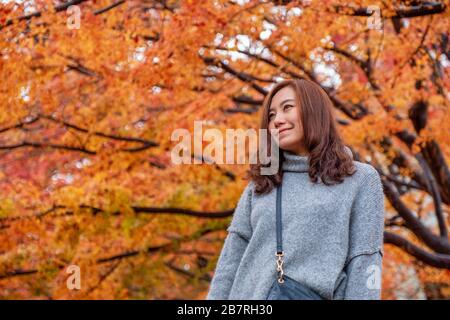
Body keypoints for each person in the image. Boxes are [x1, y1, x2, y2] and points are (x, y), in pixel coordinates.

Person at [206, 79, 385, 300]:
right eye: (271, 116)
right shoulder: (261, 184)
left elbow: (365, 259)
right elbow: (230, 261)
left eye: (287, 108)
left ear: (314, 111)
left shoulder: (359, 179)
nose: (277, 120)